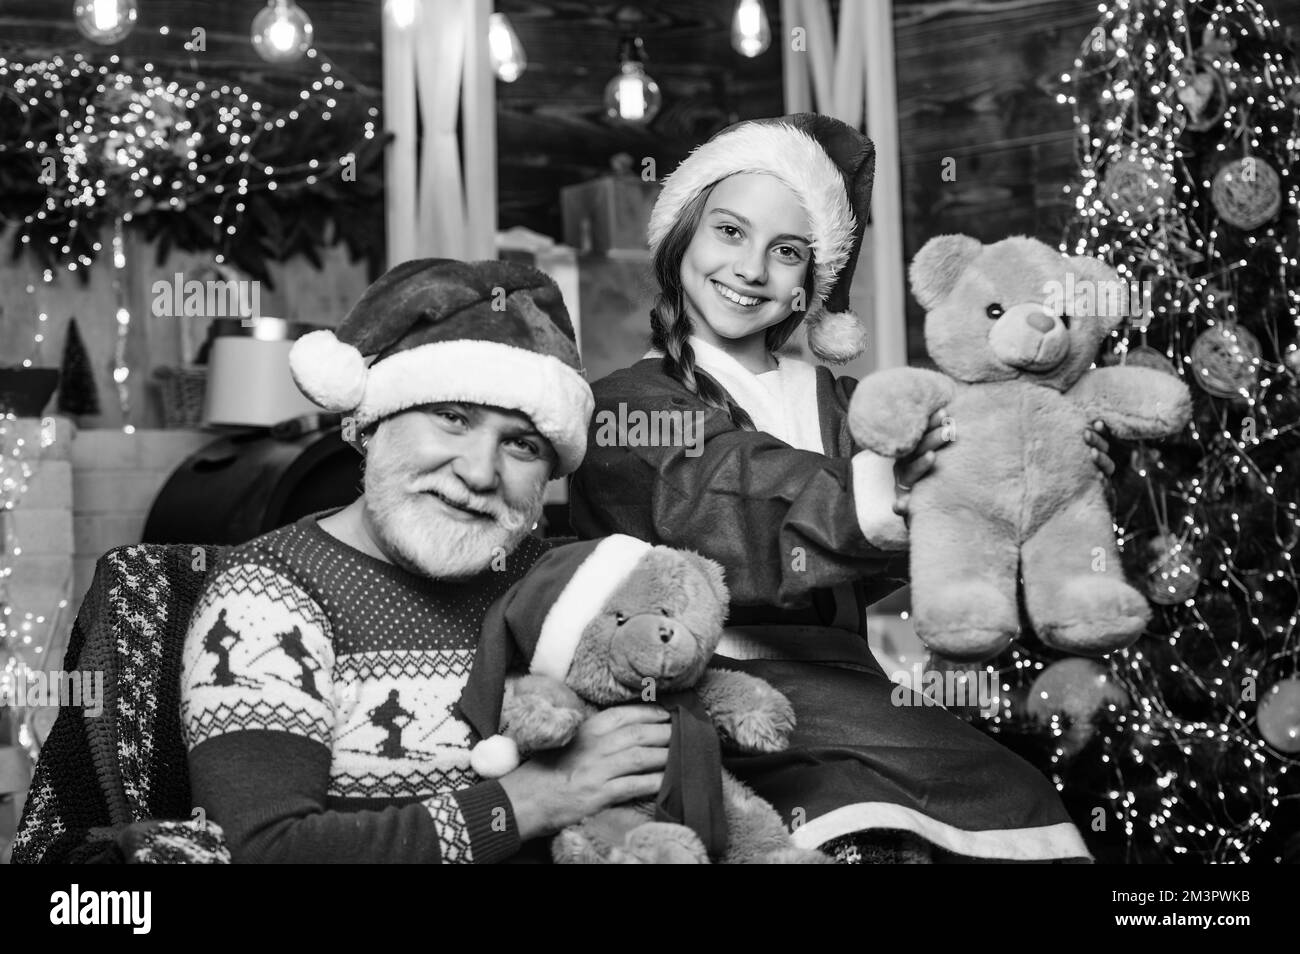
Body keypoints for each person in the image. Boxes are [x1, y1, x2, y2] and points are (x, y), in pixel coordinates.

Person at [571, 113, 1114, 862]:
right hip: (706, 693)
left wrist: (1041, 460)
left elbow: (963, 487)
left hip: (851, 685)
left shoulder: (852, 405)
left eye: (786, 251)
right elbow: (727, 491)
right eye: (729, 232)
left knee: (1011, 791)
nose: (752, 269)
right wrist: (905, 485)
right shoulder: (627, 408)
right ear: (681, 237)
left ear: (810, 284)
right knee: (885, 818)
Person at [180, 259, 671, 863]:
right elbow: (264, 851)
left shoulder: (565, 588)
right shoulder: (267, 597)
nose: (479, 472)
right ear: (373, 421)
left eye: (522, 444)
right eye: (453, 417)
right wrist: (527, 802)